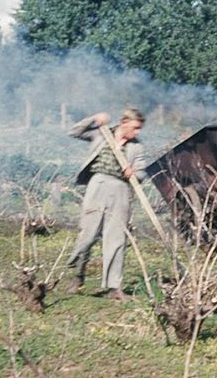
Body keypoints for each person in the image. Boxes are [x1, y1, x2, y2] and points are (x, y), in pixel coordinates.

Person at [65, 109, 148, 301]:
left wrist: (133, 172)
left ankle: (114, 287)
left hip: (121, 190)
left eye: (139, 129)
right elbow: (73, 132)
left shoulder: (137, 147)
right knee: (88, 234)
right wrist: (93, 118)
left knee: (116, 238)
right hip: (98, 184)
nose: (137, 133)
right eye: (135, 128)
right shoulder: (101, 134)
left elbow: (142, 173)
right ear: (124, 122)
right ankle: (77, 275)